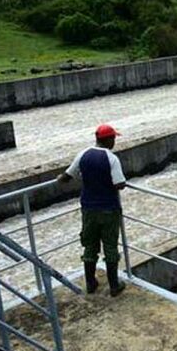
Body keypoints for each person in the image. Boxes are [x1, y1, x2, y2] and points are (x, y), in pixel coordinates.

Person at [57, 124, 127, 297]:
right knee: (110, 247)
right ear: (109, 139)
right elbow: (120, 184)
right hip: (109, 209)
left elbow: (65, 178)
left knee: (89, 245)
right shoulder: (111, 158)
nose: (114, 142)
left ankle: (90, 283)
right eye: (114, 138)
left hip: (88, 209)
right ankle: (114, 286)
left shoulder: (83, 154)